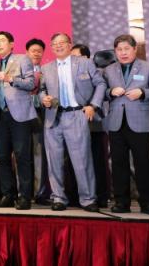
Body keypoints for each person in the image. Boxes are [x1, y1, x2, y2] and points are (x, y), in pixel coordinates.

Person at [38, 33, 105, 212]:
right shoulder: (46, 68)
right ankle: (58, 198)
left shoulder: (84, 63)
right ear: (51, 47)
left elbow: (100, 84)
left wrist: (93, 105)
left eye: (62, 42)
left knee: (82, 159)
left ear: (70, 45)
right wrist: (44, 98)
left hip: (76, 114)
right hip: (53, 117)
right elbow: (42, 89)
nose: (58, 46)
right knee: (54, 161)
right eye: (55, 44)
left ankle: (88, 199)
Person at [103, 34, 149, 215]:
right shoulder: (108, 70)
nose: (123, 53)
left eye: (126, 49)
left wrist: (142, 92)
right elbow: (101, 92)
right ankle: (121, 202)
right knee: (118, 164)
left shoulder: (148, 67)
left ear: (134, 49)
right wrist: (110, 91)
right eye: (119, 50)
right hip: (116, 123)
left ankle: (147, 203)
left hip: (140, 123)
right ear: (115, 51)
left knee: (144, 164)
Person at [0, 31, 36, 210]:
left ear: (11, 44)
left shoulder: (22, 59)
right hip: (1, 116)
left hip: (19, 115)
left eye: (2, 41)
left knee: (22, 156)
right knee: (3, 157)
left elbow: (31, 84)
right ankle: (8, 195)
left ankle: (25, 197)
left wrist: (10, 78)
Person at [71, 43, 110, 208]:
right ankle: (76, 196)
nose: (73, 60)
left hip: (94, 123)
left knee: (97, 160)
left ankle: (101, 196)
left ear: (87, 58)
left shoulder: (97, 72)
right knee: (76, 161)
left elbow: (103, 93)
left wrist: (92, 106)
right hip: (73, 124)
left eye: (76, 56)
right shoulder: (67, 72)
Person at [26, 38, 52, 205]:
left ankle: (40, 193)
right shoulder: (20, 71)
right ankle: (23, 192)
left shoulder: (47, 72)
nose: (36, 53)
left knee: (39, 154)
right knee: (22, 154)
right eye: (33, 51)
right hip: (21, 115)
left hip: (40, 115)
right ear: (27, 52)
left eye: (39, 51)